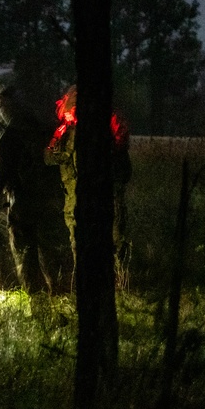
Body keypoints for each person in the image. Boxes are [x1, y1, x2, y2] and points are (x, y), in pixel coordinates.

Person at [44, 85, 132, 278]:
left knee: (113, 237)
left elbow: (119, 155)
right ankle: (86, 280)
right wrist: (61, 135)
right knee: (78, 239)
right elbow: (50, 157)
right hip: (75, 195)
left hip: (105, 193)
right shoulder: (65, 130)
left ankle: (119, 282)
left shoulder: (107, 124)